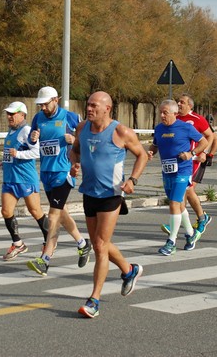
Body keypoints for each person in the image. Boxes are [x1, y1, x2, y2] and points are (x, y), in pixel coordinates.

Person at [70, 91, 148, 318]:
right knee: (97, 243)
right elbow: (74, 151)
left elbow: (142, 155)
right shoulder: (82, 128)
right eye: (88, 104)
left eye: (94, 105)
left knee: (101, 246)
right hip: (89, 192)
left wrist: (132, 179)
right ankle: (129, 270)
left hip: (111, 194)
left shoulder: (120, 131)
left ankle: (94, 299)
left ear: (107, 108)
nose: (89, 108)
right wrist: (73, 166)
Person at [26, 86, 91, 276]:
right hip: (46, 171)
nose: (43, 108)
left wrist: (73, 139)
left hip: (64, 171)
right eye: (41, 105)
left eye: (46, 104)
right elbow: (31, 141)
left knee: (53, 215)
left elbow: (85, 138)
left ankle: (45, 260)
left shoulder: (69, 117)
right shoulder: (38, 118)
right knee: (62, 213)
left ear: (56, 99)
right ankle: (82, 243)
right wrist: (33, 137)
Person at [148, 100, 208, 255]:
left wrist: (191, 154)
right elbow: (155, 145)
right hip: (167, 170)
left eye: (165, 112)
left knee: (174, 203)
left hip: (183, 170)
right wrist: (150, 152)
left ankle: (171, 242)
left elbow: (204, 141)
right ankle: (190, 235)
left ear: (175, 113)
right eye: (160, 112)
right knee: (179, 205)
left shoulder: (186, 127)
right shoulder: (159, 128)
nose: (161, 115)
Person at [161, 94, 217, 236]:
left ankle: (198, 217)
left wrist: (205, 153)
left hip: (194, 159)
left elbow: (211, 136)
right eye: (178, 102)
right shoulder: (175, 118)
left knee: (187, 188)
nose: (179, 104)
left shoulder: (197, 119)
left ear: (190, 105)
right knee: (183, 189)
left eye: (182, 102)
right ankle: (186, 218)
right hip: (178, 161)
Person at [0, 101, 49, 260]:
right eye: (8, 113)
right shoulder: (11, 131)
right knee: (6, 211)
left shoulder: (27, 130)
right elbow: (13, 151)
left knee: (36, 212)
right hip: (10, 178)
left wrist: (18, 155)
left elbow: (36, 152)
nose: (9, 116)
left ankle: (49, 241)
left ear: (22, 114)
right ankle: (18, 244)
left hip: (25, 178)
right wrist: (5, 160)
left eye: (12, 114)